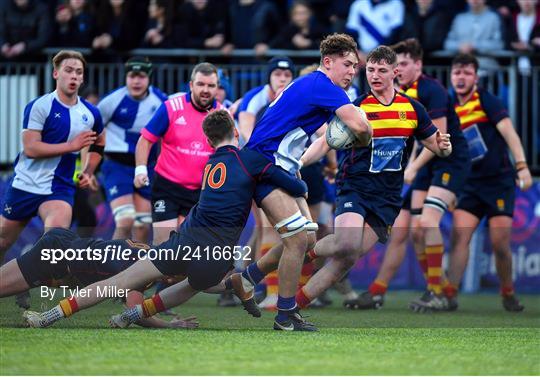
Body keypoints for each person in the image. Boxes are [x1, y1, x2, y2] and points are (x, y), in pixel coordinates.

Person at [22, 110, 308, 328]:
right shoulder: (252, 160)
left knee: (121, 281)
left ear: (208, 141)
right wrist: (293, 175)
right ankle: (134, 314)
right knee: (189, 287)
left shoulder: (210, 164)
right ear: (235, 130)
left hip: (183, 241)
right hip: (216, 254)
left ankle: (48, 316)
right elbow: (298, 189)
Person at [235, 45, 452, 319]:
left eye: (381, 70)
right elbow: (325, 143)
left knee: (349, 256)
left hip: (388, 197)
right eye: (370, 69)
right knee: (344, 244)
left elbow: (438, 146)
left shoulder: (412, 109)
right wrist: (300, 163)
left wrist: (444, 146)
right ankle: (277, 273)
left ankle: (295, 306)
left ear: (395, 73)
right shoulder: (356, 107)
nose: (374, 75)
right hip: (354, 186)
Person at [235, 33, 372, 331]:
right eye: (347, 65)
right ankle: (285, 315)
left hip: (282, 167)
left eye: (355, 67)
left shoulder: (314, 86)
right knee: (297, 240)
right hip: (265, 164)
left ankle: (246, 278)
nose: (352, 71)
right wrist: (362, 137)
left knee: (308, 239)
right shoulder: (324, 86)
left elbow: (323, 138)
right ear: (327, 62)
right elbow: (360, 126)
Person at [349, 39, 470, 311]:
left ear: (419, 64)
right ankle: (379, 290)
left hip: (448, 161)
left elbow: (438, 142)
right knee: (405, 229)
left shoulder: (432, 90)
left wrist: (412, 167)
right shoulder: (396, 92)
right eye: (397, 64)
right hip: (421, 166)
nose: (399, 69)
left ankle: (439, 292)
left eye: (404, 64)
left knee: (426, 223)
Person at [447, 53, 532, 312]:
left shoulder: (486, 100)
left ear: (475, 76)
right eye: (457, 73)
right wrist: (450, 187)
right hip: (469, 184)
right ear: (451, 76)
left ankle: (507, 292)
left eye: (467, 73)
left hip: (498, 182)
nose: (461, 78)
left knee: (499, 243)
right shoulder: (449, 107)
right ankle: (449, 295)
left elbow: (510, 133)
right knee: (459, 237)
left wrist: (522, 166)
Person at [1, 50, 104, 261]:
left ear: (83, 78)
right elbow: (31, 148)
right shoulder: (40, 106)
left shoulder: (90, 113)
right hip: (25, 184)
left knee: (54, 242)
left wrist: (89, 171)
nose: (74, 76)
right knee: (3, 240)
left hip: (60, 186)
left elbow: (100, 142)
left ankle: (23, 280)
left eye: (78, 72)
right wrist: (71, 145)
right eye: (68, 71)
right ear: (56, 74)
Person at [0, 228, 199, 329]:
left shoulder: (149, 253)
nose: (173, 282)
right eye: (180, 277)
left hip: (66, 246)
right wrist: (169, 325)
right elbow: (135, 313)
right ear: (173, 273)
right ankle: (30, 284)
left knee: (83, 279)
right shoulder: (142, 273)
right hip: (57, 255)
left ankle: (30, 284)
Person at [134, 62, 224, 245]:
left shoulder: (223, 115)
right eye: (200, 84)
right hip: (167, 187)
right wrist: (140, 170)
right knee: (163, 245)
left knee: (185, 247)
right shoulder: (171, 107)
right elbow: (145, 140)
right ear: (191, 85)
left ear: (217, 88)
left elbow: (228, 153)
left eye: (210, 85)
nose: (205, 90)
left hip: (200, 192)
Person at [98, 56, 167, 242]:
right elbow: (92, 134)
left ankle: (135, 269)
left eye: (141, 76)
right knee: (125, 220)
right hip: (117, 166)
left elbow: (167, 135)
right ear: (126, 77)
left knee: (143, 225)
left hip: (147, 167)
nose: (136, 81)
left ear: (149, 78)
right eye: (132, 76)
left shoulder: (161, 101)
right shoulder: (110, 101)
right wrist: (88, 169)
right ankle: (108, 268)